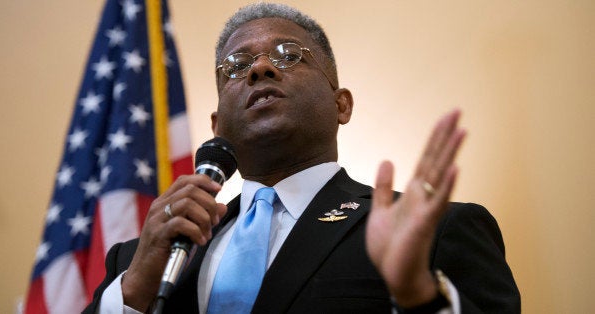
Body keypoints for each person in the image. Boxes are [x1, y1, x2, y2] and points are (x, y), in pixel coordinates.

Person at [84, 3, 520, 313]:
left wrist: (419, 296)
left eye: (289, 55)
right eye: (237, 66)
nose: (259, 69)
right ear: (216, 125)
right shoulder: (143, 259)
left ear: (342, 105)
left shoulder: (433, 231)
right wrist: (136, 289)